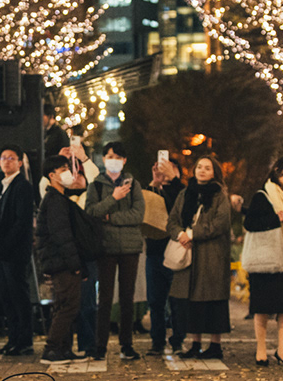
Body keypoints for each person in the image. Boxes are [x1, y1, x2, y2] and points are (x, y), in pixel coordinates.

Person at [167, 155, 233, 360]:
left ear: (215, 172)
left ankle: (215, 344)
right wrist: (180, 234)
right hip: (189, 256)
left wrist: (193, 234)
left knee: (214, 300)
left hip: (212, 255)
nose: (202, 171)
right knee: (190, 300)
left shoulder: (220, 195)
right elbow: (172, 220)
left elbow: (221, 223)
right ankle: (194, 342)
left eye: (207, 168)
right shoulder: (186, 193)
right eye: (199, 167)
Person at [85, 141, 146, 361]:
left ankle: (126, 344)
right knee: (105, 298)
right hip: (105, 247)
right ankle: (100, 345)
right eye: (110, 156)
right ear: (103, 159)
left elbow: (138, 215)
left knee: (127, 297)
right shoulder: (97, 185)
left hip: (130, 247)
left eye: (118, 156)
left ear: (124, 160)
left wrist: (110, 217)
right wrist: (114, 198)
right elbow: (91, 212)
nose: (113, 160)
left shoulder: (133, 184)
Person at [246, 157, 283, 366]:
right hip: (267, 257)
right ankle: (261, 349)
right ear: (277, 171)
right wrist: (276, 218)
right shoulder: (263, 195)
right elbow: (250, 223)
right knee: (262, 305)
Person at [36, 155, 91, 365]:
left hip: (59, 261)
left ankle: (63, 349)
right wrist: (75, 264)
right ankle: (51, 349)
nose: (68, 172)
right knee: (68, 306)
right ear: (52, 176)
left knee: (64, 305)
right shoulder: (55, 201)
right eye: (63, 169)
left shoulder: (57, 198)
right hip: (62, 262)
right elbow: (62, 236)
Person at [0, 145, 37, 356]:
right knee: (6, 296)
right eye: (3, 158)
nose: (6, 161)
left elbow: (21, 222)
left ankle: (24, 341)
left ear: (20, 163)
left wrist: (5, 244)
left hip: (14, 253)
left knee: (18, 296)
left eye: (11, 158)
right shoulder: (2, 185)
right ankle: (13, 339)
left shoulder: (22, 186)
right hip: (2, 253)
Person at [146, 157, 185, 355]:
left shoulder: (180, 191)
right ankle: (157, 341)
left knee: (176, 300)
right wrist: (155, 183)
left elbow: (181, 208)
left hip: (176, 250)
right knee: (155, 300)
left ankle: (178, 340)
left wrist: (172, 181)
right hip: (154, 251)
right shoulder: (153, 189)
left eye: (170, 169)